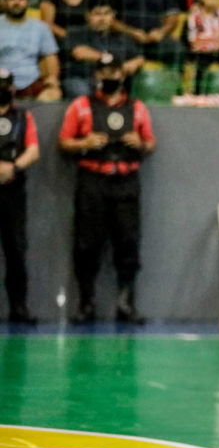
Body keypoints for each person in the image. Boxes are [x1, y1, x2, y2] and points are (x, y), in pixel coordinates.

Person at [58, 59, 156, 325]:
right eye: (104, 71)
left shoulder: (137, 108)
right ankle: (86, 304)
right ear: (97, 75)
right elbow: (64, 141)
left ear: (122, 75)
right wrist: (84, 143)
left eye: (114, 71)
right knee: (87, 244)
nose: (109, 75)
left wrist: (141, 143)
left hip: (125, 180)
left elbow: (150, 143)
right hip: (93, 180)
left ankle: (126, 304)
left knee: (128, 243)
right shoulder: (81, 106)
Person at [0, 69, 39, 324]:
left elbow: (33, 149)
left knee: (16, 248)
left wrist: (13, 167)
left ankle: (19, 307)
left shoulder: (23, 117)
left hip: (13, 190)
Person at [62, 0, 145, 98]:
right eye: (97, 14)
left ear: (113, 16)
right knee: (80, 90)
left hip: (114, 83)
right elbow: (80, 53)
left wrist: (135, 62)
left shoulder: (122, 37)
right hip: (84, 80)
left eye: (107, 13)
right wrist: (112, 61)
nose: (102, 18)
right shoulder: (75, 33)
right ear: (87, 15)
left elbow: (139, 57)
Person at [0, 0, 61, 101]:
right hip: (1, 82)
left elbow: (50, 56)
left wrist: (53, 78)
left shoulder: (41, 28)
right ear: (4, 2)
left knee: (53, 94)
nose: (17, 2)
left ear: (27, 1)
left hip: (31, 82)